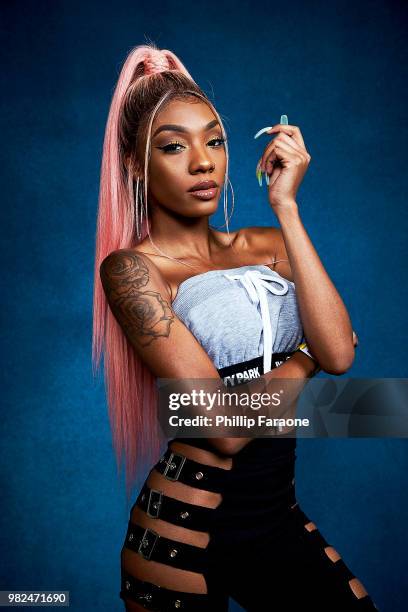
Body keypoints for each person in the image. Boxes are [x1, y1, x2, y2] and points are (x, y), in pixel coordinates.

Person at [92, 43, 379, 611]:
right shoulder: (132, 271)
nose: (204, 163)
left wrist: (287, 208)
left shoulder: (268, 244)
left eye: (215, 141)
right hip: (182, 535)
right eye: (175, 146)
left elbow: (341, 354)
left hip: (275, 518)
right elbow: (223, 430)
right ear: (134, 163)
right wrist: (303, 360)